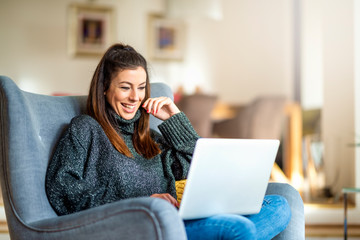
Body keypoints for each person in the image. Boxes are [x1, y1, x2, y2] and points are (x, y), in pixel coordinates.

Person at [46, 43, 291, 239]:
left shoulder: (151, 140)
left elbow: (197, 169)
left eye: (141, 88)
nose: (134, 97)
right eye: (125, 87)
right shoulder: (86, 129)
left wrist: (175, 119)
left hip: (181, 220)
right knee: (239, 230)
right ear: (104, 89)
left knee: (279, 205)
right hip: (143, 227)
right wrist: (139, 203)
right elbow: (63, 192)